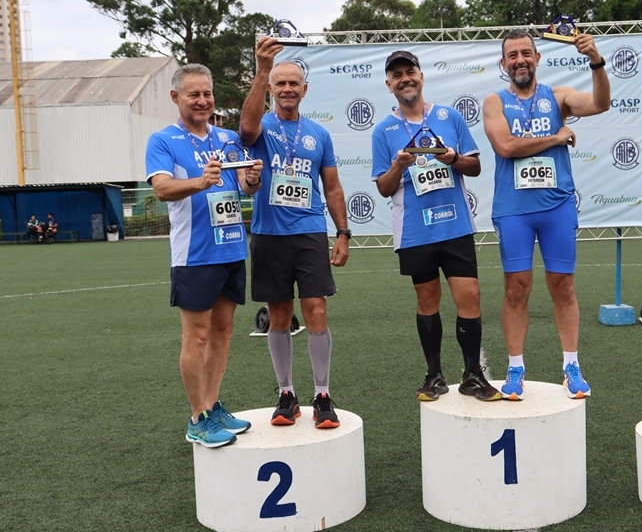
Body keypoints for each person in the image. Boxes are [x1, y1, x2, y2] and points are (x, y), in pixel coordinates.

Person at [482, 29, 611, 401]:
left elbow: (601, 103)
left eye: (526, 53)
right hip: (514, 211)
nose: (519, 60)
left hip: (556, 207)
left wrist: (596, 61)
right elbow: (505, 146)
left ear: (537, 58)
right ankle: (515, 367)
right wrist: (556, 138)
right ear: (503, 63)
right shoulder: (495, 102)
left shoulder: (558, 97)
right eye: (512, 55)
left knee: (563, 286)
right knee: (516, 288)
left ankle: (571, 365)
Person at [145, 63, 264, 448]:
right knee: (196, 335)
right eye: (193, 94)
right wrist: (199, 181)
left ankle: (211, 407)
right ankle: (196, 416)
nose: (202, 101)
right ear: (176, 97)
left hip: (231, 247)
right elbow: (162, 189)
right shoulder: (163, 141)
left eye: (207, 94)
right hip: (194, 254)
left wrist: (252, 179)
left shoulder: (229, 138)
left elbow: (245, 190)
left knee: (223, 331)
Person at [372, 50, 500, 402]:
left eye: (409, 71)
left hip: (455, 226)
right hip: (415, 230)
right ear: (389, 84)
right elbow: (383, 187)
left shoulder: (450, 117)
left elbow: (473, 167)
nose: (404, 79)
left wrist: (452, 158)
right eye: (396, 75)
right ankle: (434, 375)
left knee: (469, 295)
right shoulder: (384, 131)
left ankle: (473, 374)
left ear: (421, 76)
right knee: (427, 299)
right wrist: (398, 166)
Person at [240, 36, 350, 429]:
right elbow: (246, 128)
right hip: (269, 234)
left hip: (309, 232)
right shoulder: (262, 126)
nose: (287, 89)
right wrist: (261, 69)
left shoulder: (319, 133)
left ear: (304, 90)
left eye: (294, 84)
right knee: (279, 314)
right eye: (280, 83)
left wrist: (342, 232)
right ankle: (286, 393)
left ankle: (322, 394)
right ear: (271, 88)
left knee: (316, 310)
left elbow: (333, 187)